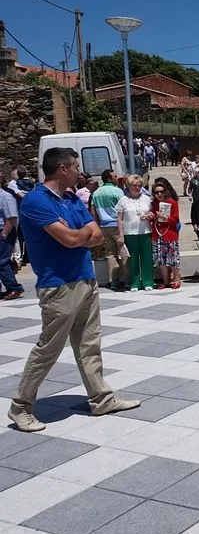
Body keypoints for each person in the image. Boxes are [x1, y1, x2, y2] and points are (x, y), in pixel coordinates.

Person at [8, 147, 140, 432]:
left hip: (85, 279)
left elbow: (96, 236)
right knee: (49, 348)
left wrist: (77, 234)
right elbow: (70, 239)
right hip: (58, 285)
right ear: (63, 168)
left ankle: (101, 398)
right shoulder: (36, 201)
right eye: (76, 167)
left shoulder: (71, 198)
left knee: (89, 344)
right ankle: (21, 407)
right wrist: (78, 235)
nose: (80, 172)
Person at [115, 175, 154, 292]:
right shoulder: (123, 200)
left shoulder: (147, 199)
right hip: (130, 233)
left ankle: (148, 282)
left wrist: (150, 215)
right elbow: (119, 219)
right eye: (134, 185)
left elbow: (153, 212)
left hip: (145, 232)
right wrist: (121, 234)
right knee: (132, 259)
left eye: (139, 186)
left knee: (147, 258)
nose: (137, 188)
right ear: (129, 186)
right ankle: (135, 283)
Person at [150, 183, 181, 289]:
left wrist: (166, 218)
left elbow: (175, 219)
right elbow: (154, 218)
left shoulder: (172, 203)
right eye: (156, 192)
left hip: (169, 234)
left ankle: (176, 279)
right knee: (160, 259)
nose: (159, 194)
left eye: (161, 191)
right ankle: (166, 281)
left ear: (165, 192)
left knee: (173, 258)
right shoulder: (153, 204)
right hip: (157, 234)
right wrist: (150, 216)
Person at [0, 184, 24, 300]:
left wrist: (4, 234)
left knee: (2, 261)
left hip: (5, 231)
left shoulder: (6, 196)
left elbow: (12, 218)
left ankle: (14, 288)